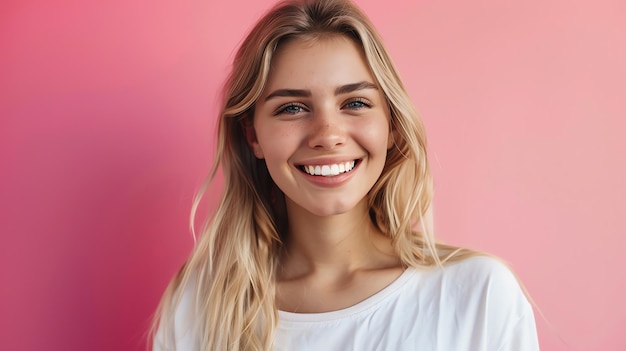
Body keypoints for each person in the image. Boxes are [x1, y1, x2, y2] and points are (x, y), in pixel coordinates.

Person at [151, 0, 540, 350]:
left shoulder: (479, 296)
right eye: (292, 108)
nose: (327, 135)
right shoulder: (197, 308)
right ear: (253, 135)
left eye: (355, 102)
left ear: (391, 126)